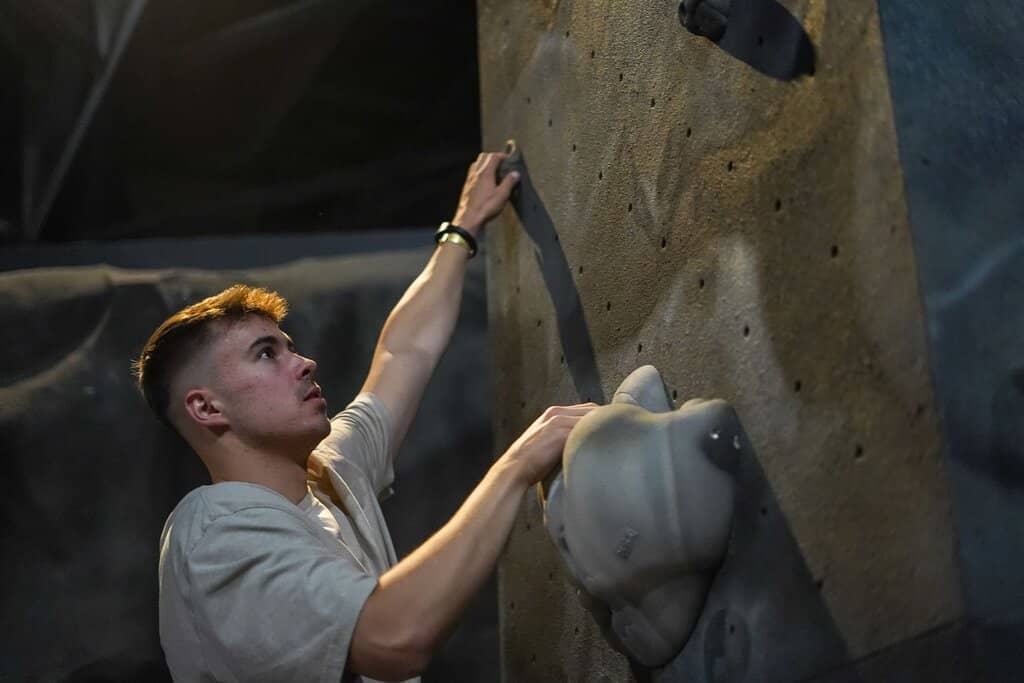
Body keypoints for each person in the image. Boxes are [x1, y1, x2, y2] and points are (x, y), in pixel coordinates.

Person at [134, 151, 598, 683]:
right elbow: (390, 639)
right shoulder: (217, 532)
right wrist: (515, 467)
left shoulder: (329, 475)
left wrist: (462, 229)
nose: (304, 363)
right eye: (267, 353)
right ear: (206, 407)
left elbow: (404, 355)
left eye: (290, 347)